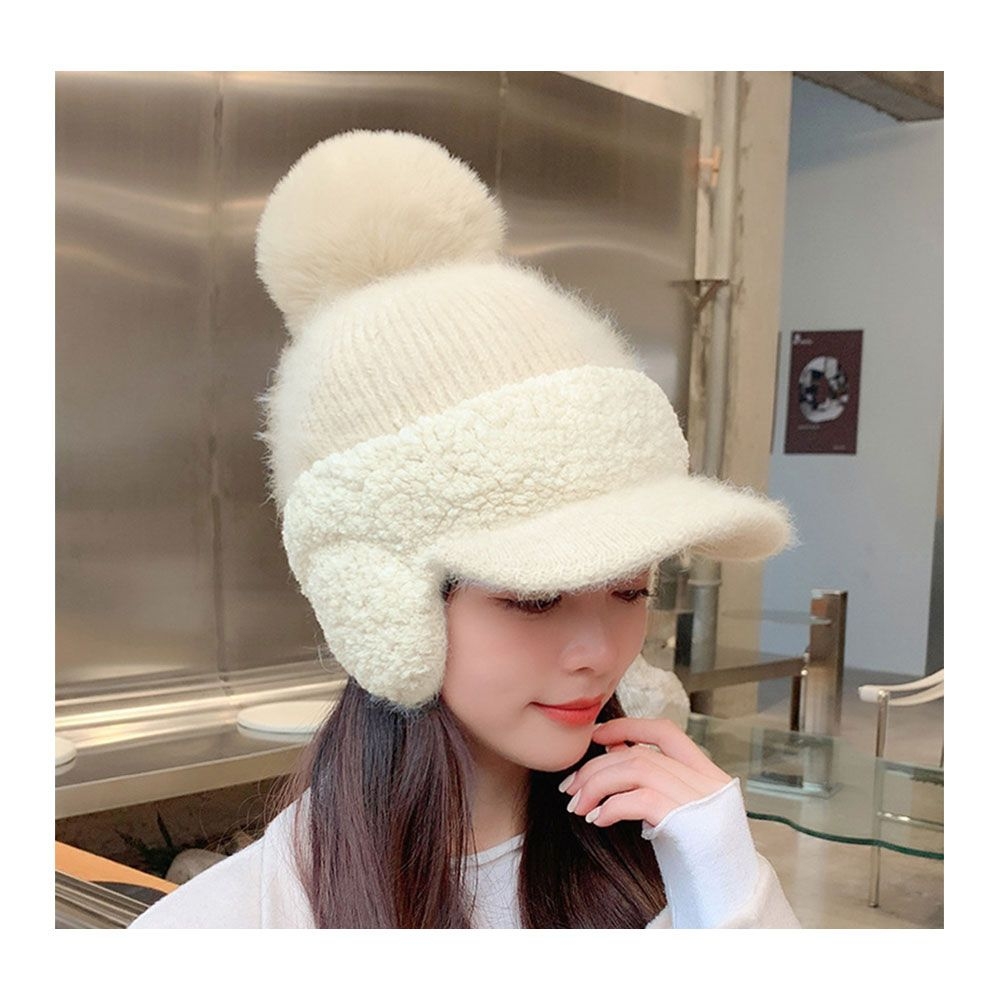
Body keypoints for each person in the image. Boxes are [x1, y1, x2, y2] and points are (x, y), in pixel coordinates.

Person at [131, 130, 799, 929]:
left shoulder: (681, 855)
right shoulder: (229, 928)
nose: (599, 652)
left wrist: (729, 883)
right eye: (536, 597)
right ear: (379, 609)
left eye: (630, 589)